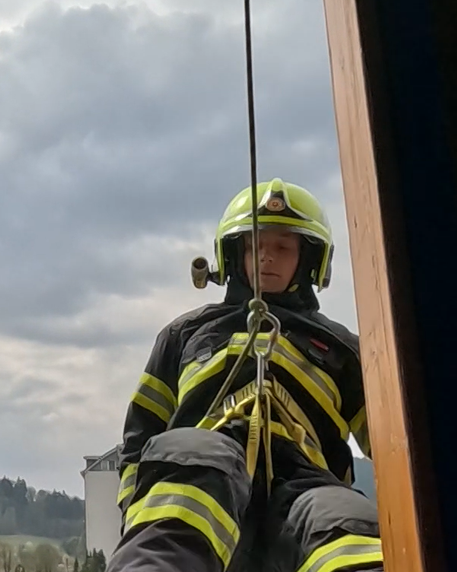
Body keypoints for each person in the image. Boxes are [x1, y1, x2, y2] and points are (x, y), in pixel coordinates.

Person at [107, 179, 382, 572]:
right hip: (209, 478)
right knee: (192, 453)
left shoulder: (342, 347)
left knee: (345, 515)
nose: (267, 257)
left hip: (306, 489)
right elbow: (140, 436)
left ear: (309, 261)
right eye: (255, 246)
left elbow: (396, 452)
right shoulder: (184, 334)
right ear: (236, 255)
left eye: (283, 247)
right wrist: (137, 509)